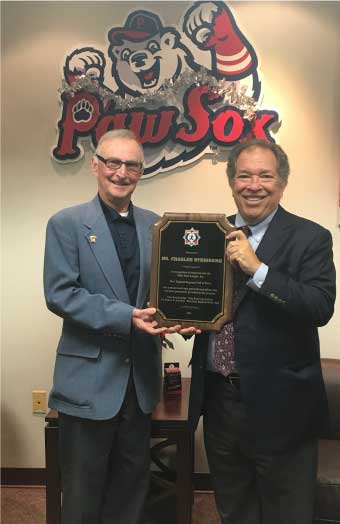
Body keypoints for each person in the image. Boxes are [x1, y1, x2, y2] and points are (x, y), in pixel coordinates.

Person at [44, 129, 192, 524]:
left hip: (139, 384)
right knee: (83, 490)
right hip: (88, 380)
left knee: (131, 487)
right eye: (113, 162)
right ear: (96, 165)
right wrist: (126, 316)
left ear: (141, 172)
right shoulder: (66, 224)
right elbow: (60, 294)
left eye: (132, 165)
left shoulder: (156, 226)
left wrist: (182, 317)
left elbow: (166, 292)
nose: (121, 172)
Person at [188, 138, 336, 524]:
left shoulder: (311, 238)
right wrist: (188, 318)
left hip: (283, 406)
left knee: (287, 512)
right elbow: (203, 300)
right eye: (244, 175)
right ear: (231, 182)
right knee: (233, 508)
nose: (254, 185)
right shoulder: (210, 235)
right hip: (220, 399)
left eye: (265, 176)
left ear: (282, 183)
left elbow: (319, 307)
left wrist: (259, 271)